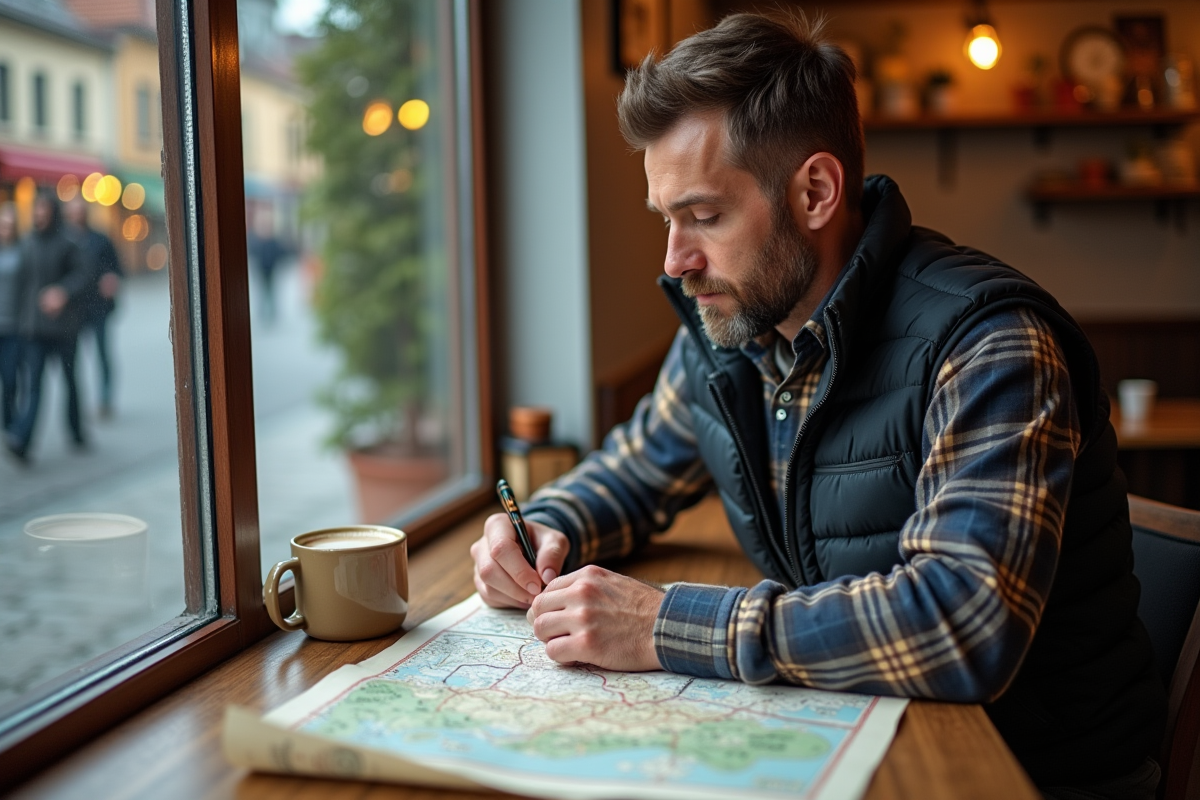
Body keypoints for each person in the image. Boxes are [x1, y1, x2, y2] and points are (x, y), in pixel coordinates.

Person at [469, 13, 1165, 800]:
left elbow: (959, 625)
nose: (675, 260)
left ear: (816, 191)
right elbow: (632, 473)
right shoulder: (732, 328)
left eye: (704, 216)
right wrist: (541, 528)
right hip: (852, 731)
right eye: (666, 219)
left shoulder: (988, 342)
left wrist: (661, 624)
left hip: (1031, 772)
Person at [6, 191, 91, 462]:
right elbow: (20, 286)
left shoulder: (67, 243)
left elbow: (83, 276)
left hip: (63, 328)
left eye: (43, 210)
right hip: (34, 330)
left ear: (52, 212)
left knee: (70, 381)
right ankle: (22, 439)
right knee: (34, 386)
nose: (39, 214)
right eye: (36, 210)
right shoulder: (28, 243)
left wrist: (62, 292)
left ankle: (76, 430)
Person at [64, 196, 122, 419]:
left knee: (102, 354)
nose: (77, 214)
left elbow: (116, 267)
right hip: (74, 308)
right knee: (72, 359)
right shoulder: (63, 241)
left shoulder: (100, 239)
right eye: (73, 211)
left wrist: (111, 278)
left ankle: (105, 398)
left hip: (98, 306)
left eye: (80, 210)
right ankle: (76, 404)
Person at [0, 203, 21, 432]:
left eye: (9, 226)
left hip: (13, 326)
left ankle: (9, 423)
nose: (6, 229)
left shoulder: (22, 251)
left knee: (10, 379)